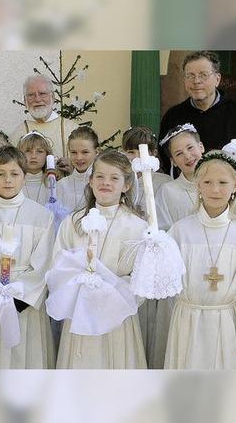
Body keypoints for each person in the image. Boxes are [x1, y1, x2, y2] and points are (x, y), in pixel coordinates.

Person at [164, 143, 236, 369]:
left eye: (223, 183)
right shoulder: (180, 230)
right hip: (188, 321)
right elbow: (163, 278)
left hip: (228, 323)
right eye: (207, 182)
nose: (215, 190)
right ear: (198, 185)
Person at [51, 151, 147, 369]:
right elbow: (58, 265)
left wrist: (109, 294)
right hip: (80, 312)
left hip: (118, 316)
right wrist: (81, 288)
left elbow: (140, 278)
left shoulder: (137, 227)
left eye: (114, 178)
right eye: (100, 176)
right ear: (91, 180)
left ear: (127, 185)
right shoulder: (73, 222)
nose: (106, 183)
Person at [0, 146, 56, 368]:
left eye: (14, 174)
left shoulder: (41, 216)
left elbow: (45, 263)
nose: (8, 180)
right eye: (1, 174)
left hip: (26, 304)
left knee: (30, 360)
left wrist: (16, 300)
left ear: (24, 176)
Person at [159, 51, 236, 227]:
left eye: (203, 75)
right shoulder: (173, 117)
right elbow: (167, 162)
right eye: (190, 76)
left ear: (217, 79)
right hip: (186, 206)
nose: (196, 81)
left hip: (229, 208)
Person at [121, 126, 172, 369]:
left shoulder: (164, 182)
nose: (136, 157)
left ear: (153, 153)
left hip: (156, 257)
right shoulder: (124, 181)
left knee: (157, 318)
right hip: (133, 258)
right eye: (130, 151)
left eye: (141, 151)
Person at [8, 74, 77, 169]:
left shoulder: (72, 129)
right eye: (31, 95)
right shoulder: (18, 134)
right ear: (25, 101)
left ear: (53, 97)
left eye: (42, 94)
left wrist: (73, 166)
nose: (37, 99)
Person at [155, 124, 205, 230]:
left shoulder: (220, 183)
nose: (187, 156)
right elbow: (163, 230)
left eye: (190, 148)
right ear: (173, 161)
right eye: (179, 153)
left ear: (201, 147)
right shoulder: (167, 191)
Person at [56, 126, 99, 213]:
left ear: (96, 152)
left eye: (85, 152)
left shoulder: (102, 183)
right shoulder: (61, 185)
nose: (79, 157)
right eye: (74, 152)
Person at [17, 131, 53, 206]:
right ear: (19, 154)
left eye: (39, 151)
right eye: (28, 151)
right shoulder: (13, 183)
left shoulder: (53, 183)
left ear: (47, 155)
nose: (33, 156)